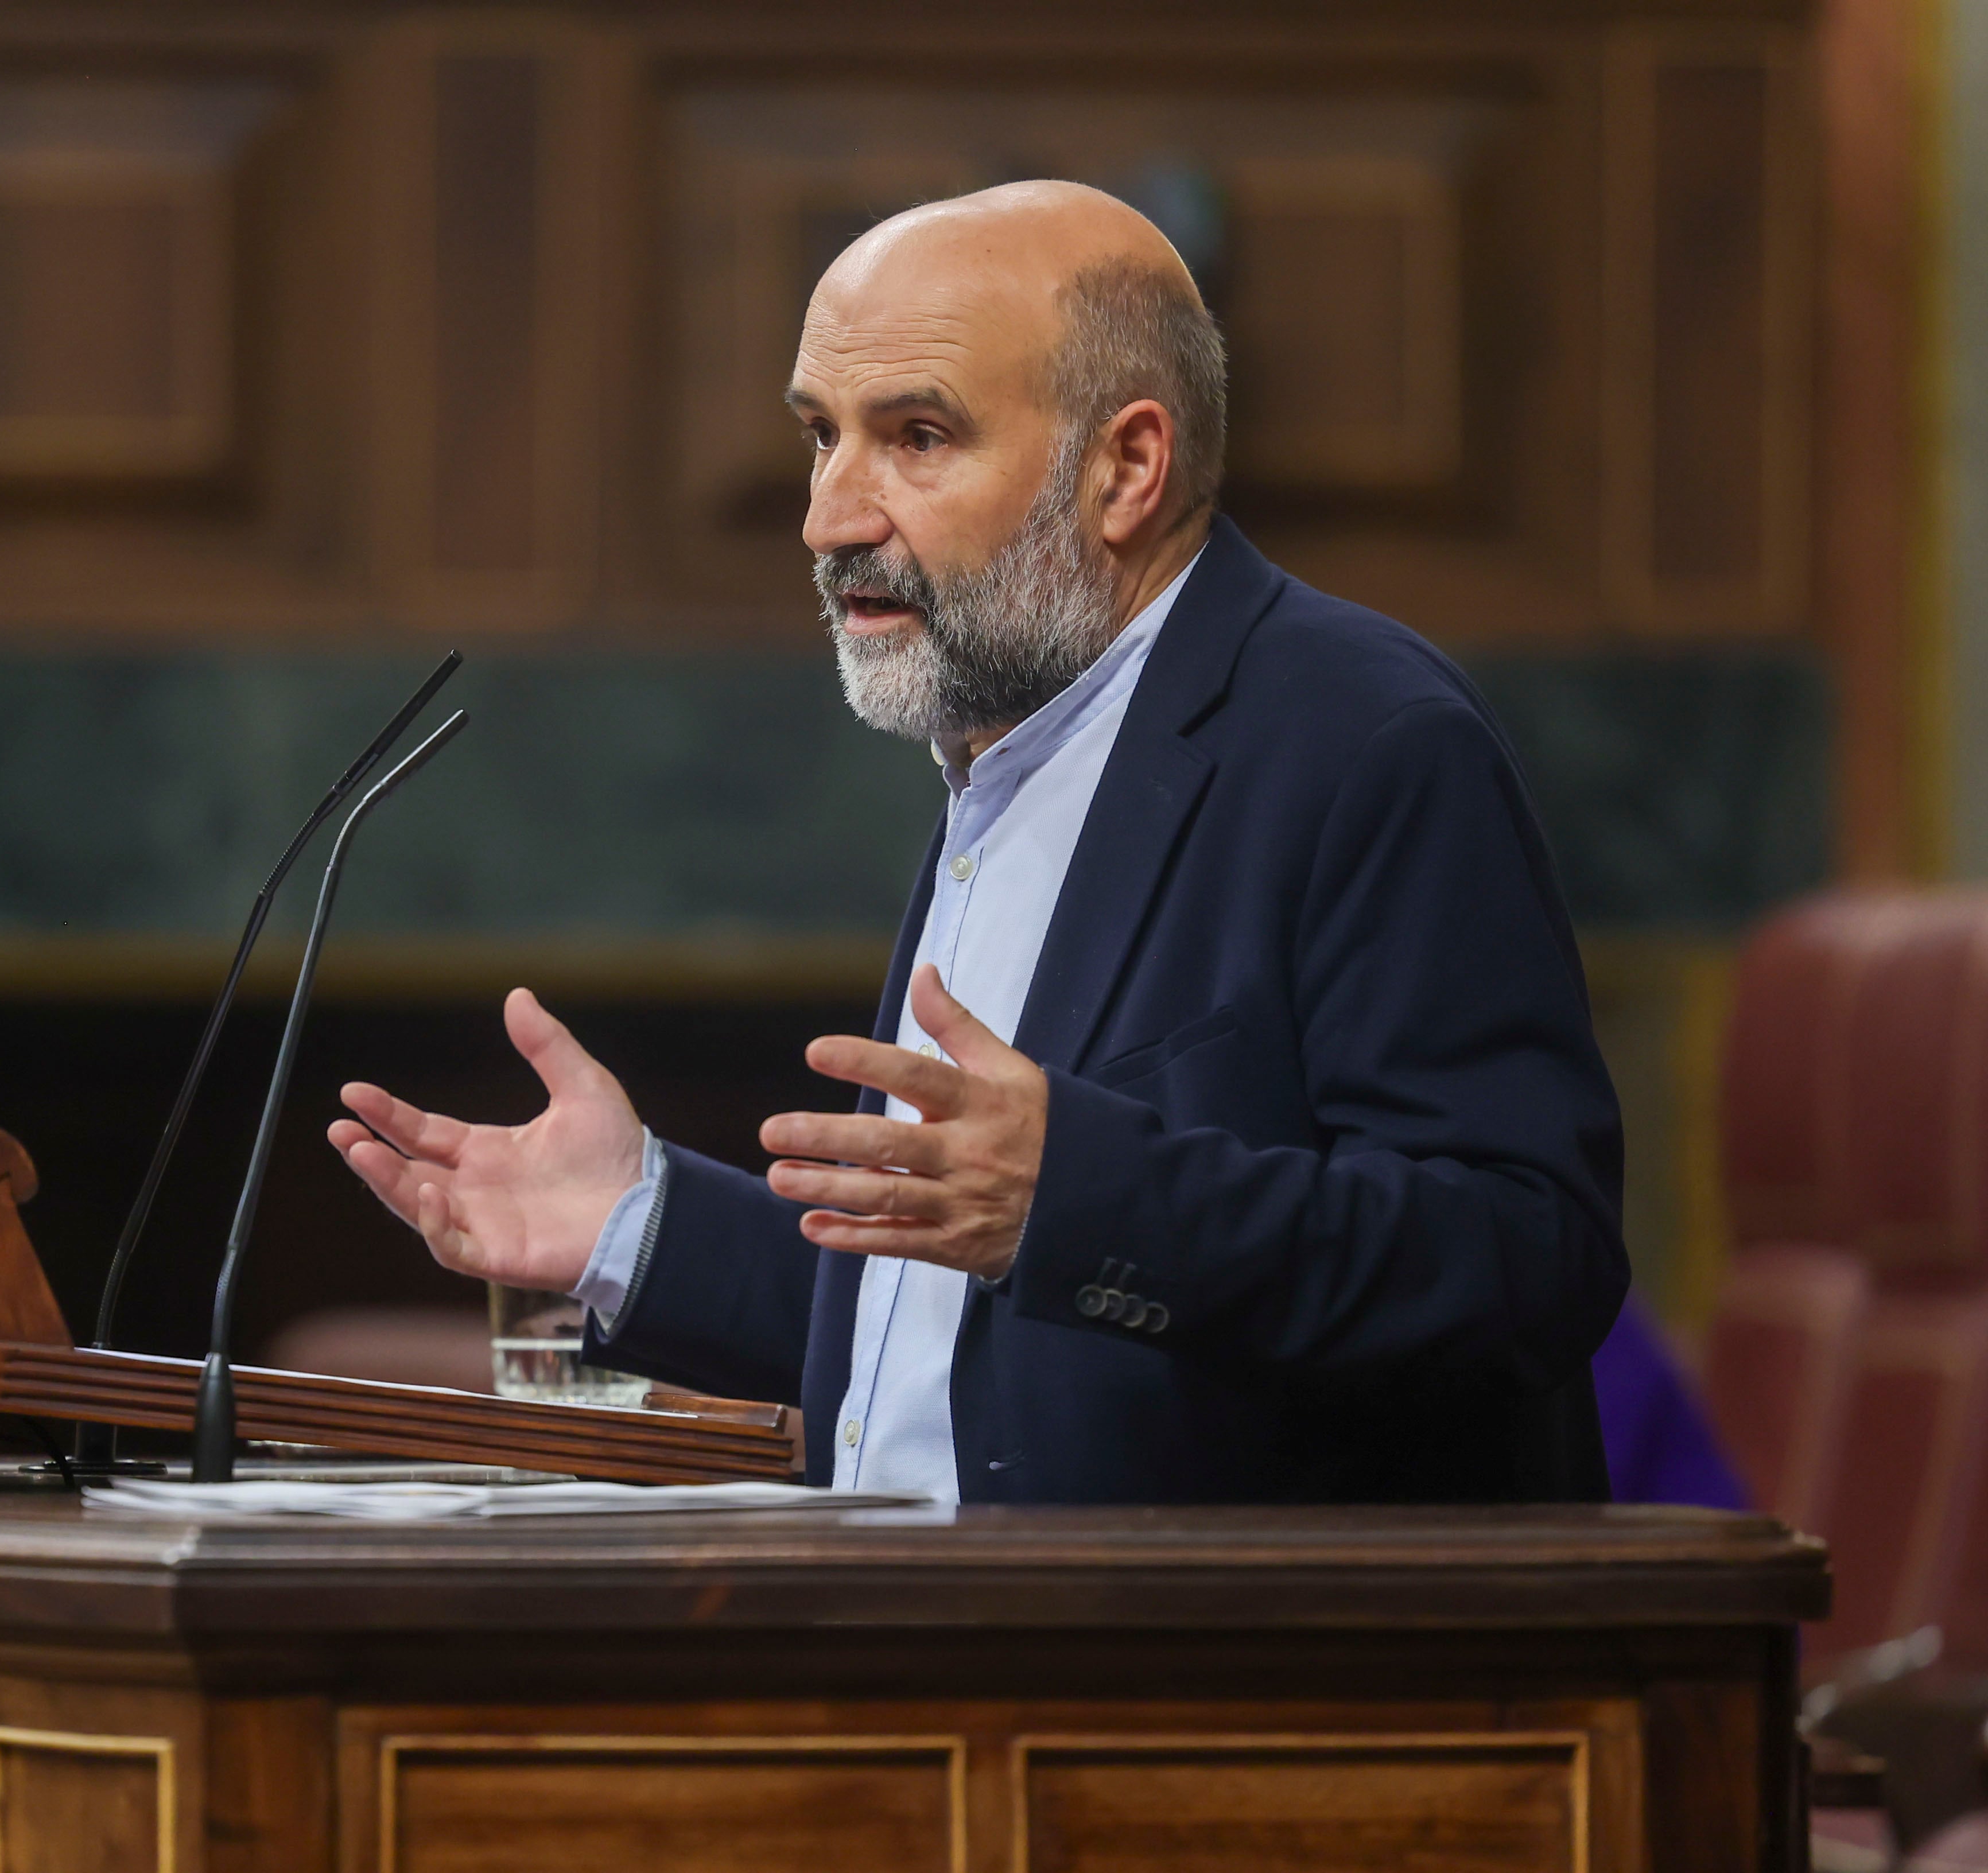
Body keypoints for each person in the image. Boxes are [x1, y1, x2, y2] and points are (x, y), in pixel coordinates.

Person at [327, 180, 1628, 1505]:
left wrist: (1077, 1200)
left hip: (1221, 1682)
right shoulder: (1005, 751)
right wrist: (634, 1224)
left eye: (918, 436)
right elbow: (969, 1343)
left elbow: (1523, 1261)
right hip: (930, 1646)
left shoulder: (1366, 738)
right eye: (821, 438)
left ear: (1127, 467)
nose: (831, 518)